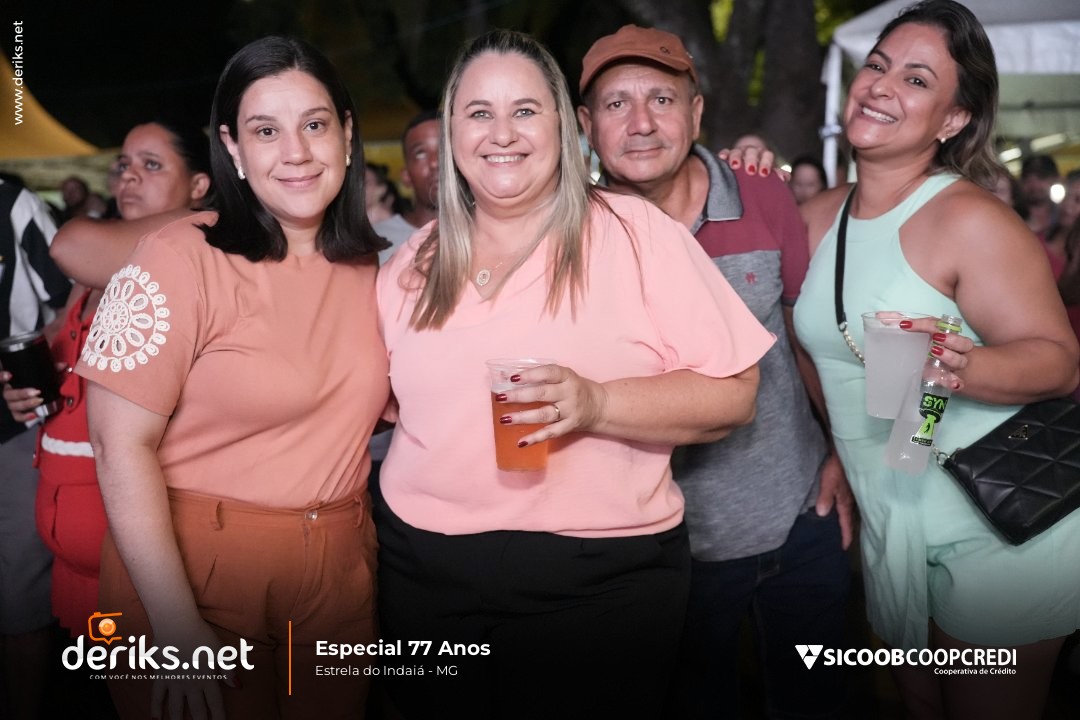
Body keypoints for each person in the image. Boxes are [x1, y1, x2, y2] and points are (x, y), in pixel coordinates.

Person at [374, 28, 773, 720]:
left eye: (525, 110)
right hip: (422, 571)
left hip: (599, 579)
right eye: (479, 112)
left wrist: (595, 403)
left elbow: (735, 395)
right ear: (452, 131)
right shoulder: (411, 264)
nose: (503, 133)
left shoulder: (636, 233)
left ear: (563, 124)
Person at [75, 36, 388, 720]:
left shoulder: (374, 268)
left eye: (314, 124)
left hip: (340, 573)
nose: (296, 152)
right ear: (233, 148)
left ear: (346, 133)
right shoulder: (176, 257)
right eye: (266, 131)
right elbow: (116, 444)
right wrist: (175, 626)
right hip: (192, 575)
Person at [792, 3, 1080, 719]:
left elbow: (1058, 362)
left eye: (917, 79)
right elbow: (812, 349)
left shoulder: (971, 220)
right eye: (878, 65)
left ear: (954, 118)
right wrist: (836, 450)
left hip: (994, 519)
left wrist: (960, 365)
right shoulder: (815, 218)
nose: (882, 86)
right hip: (889, 512)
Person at [576, 24, 852, 719]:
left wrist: (842, 454)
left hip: (800, 518)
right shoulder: (575, 233)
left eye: (662, 99)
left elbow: (805, 337)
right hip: (667, 548)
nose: (641, 123)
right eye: (616, 104)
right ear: (586, 125)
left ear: (696, 112)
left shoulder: (759, 192)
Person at [4, 120, 211, 642]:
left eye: (151, 165)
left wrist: (216, 213)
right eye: (123, 164)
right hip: (68, 533)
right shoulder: (102, 261)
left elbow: (68, 243)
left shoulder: (200, 256)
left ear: (200, 185)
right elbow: (58, 343)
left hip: (139, 549)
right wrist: (22, 384)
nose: (129, 177)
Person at [0, 172, 71, 720]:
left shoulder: (11, 203)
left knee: (18, 590)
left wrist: (34, 364)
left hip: (13, 423)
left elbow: (76, 299)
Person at [372, 110, 440, 266]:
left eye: (444, 149)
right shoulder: (377, 240)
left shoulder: (486, 234)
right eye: (420, 153)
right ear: (406, 176)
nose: (435, 162)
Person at [1020, 154, 1061, 240]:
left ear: (1056, 179)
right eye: (1027, 178)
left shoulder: (1065, 215)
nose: (1034, 185)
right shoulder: (1014, 217)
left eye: (1041, 177)